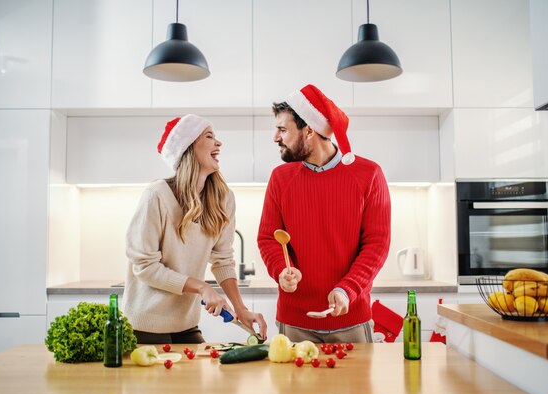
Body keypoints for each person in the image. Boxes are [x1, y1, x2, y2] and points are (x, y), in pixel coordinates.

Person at [257, 84, 391, 343]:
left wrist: (347, 289)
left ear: (308, 130)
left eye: (283, 129)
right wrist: (281, 269)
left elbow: (377, 245)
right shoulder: (280, 178)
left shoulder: (369, 175)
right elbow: (268, 238)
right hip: (294, 322)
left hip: (351, 318)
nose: (276, 137)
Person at [124, 114, 267, 344]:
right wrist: (201, 287)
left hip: (186, 324)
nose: (218, 144)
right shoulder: (156, 195)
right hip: (145, 326)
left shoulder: (223, 198)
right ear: (187, 148)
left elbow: (223, 260)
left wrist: (241, 309)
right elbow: (145, 266)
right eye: (209, 137)